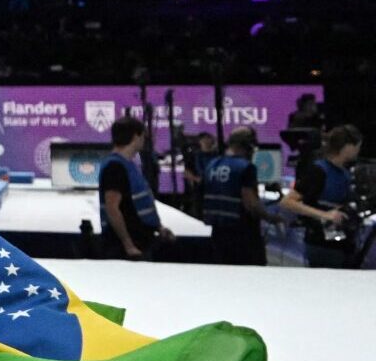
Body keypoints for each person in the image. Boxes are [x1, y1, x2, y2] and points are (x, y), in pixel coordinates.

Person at [200, 126, 340, 264]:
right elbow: (251, 204)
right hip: (242, 235)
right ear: (248, 146)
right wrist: (271, 218)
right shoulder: (245, 167)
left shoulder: (212, 165)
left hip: (217, 232)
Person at [98, 115, 173, 261]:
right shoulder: (115, 167)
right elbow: (112, 208)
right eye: (143, 136)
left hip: (141, 241)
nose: (144, 140)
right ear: (135, 137)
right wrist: (128, 245)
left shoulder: (128, 165)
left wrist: (158, 227)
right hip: (127, 248)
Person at [296, 124, 363, 270]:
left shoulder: (344, 173)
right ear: (348, 147)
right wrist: (324, 215)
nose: (358, 150)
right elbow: (289, 202)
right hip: (321, 243)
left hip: (341, 242)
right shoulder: (319, 170)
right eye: (357, 146)